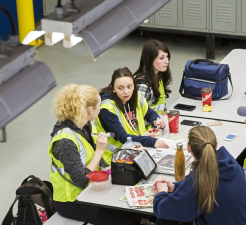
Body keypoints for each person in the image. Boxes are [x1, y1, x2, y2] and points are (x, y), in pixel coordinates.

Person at [48, 84, 143, 225]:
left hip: (92, 190)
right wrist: (100, 150)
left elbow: (95, 160)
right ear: (90, 110)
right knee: (124, 221)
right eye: (99, 105)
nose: (101, 107)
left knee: (134, 211)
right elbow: (83, 180)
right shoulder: (64, 141)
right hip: (74, 201)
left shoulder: (84, 124)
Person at [152, 125, 246, 225]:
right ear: (216, 146)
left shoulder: (199, 180)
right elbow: (192, 187)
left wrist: (161, 192)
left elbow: (164, 210)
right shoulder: (232, 164)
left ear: (188, 148)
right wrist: (175, 186)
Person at [97, 67, 169, 167]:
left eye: (129, 87)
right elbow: (123, 137)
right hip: (115, 158)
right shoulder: (107, 108)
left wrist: (156, 121)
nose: (126, 92)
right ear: (113, 88)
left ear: (134, 86)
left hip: (135, 149)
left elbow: (150, 113)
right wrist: (151, 141)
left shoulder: (136, 98)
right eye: (120, 88)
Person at [134, 39, 172, 116]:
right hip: (148, 126)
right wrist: (161, 116)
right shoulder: (142, 84)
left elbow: (158, 106)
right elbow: (136, 117)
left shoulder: (158, 75)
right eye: (161, 58)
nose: (167, 61)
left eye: (167, 56)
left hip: (158, 123)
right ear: (150, 60)